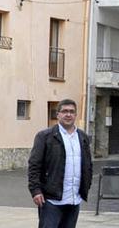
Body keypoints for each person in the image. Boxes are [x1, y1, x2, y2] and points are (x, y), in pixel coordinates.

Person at [28, 98, 93, 228]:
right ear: (58, 114)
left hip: (74, 199)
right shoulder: (45, 136)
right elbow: (34, 165)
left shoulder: (83, 137)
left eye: (71, 111)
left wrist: (86, 185)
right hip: (51, 200)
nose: (68, 114)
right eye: (64, 111)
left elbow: (88, 165)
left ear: (75, 115)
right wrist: (36, 190)